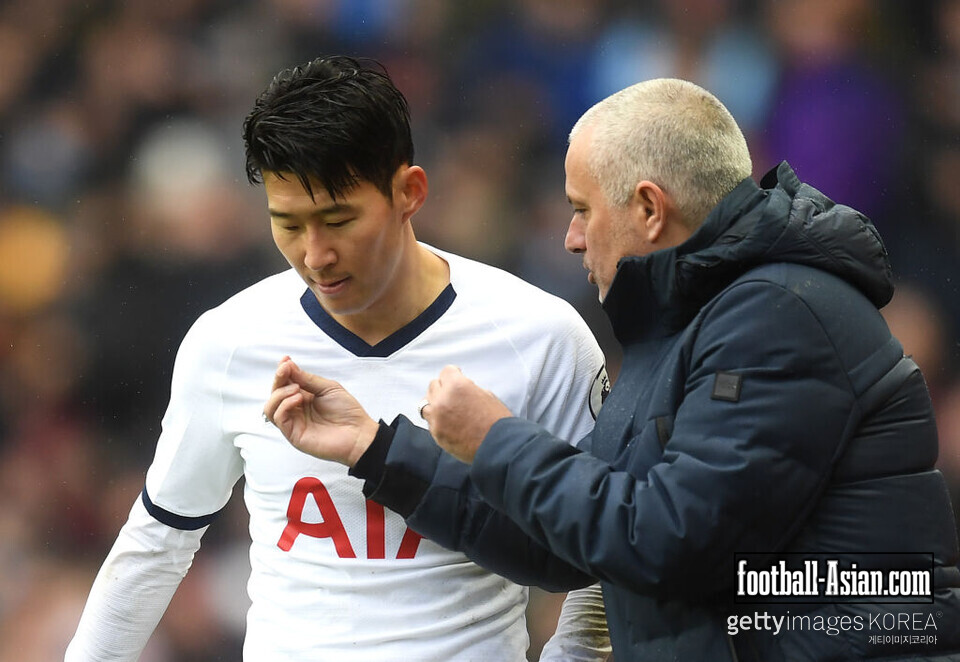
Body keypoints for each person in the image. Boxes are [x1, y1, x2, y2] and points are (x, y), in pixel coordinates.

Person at [266, 78, 960, 661]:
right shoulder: (693, 320)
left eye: (580, 209)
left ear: (650, 209)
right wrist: (378, 449)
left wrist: (496, 437)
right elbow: (571, 549)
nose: (569, 237)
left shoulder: (777, 317)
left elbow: (667, 541)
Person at [66, 55, 613, 661]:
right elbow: (158, 542)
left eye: (337, 219)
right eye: (288, 224)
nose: (315, 253)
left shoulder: (540, 337)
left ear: (410, 192)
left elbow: (605, 555)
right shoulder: (230, 341)